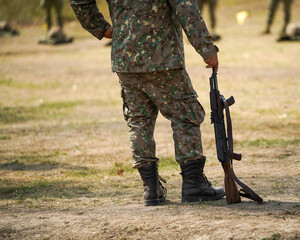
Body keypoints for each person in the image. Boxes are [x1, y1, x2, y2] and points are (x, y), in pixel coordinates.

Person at [70, 0, 225, 206]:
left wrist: (100, 27)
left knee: (139, 121)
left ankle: (151, 189)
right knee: (185, 114)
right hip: (164, 58)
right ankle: (193, 184)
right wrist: (205, 47)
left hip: (126, 58)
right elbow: (185, 6)